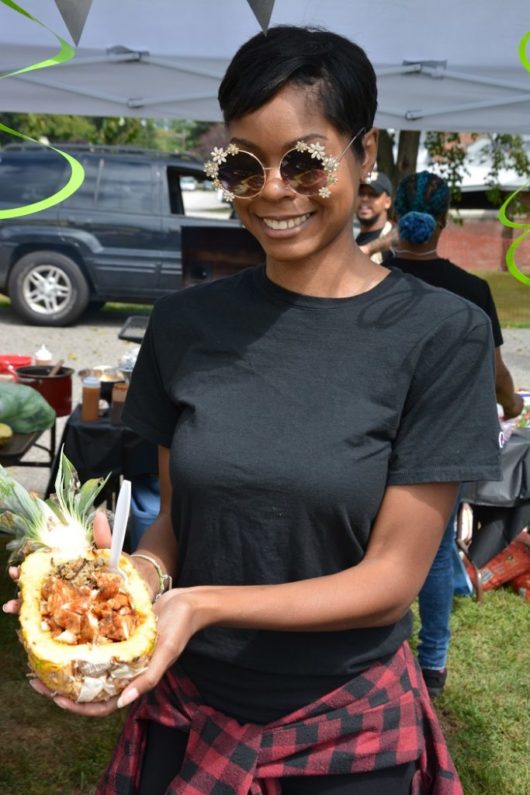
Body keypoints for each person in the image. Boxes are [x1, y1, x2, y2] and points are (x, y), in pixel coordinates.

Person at [6, 27, 502, 794]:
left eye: (304, 160)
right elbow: (179, 520)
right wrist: (122, 585)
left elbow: (393, 576)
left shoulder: (440, 334)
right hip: (187, 703)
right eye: (243, 164)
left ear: (365, 154)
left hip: (346, 724)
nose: (272, 188)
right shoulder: (186, 324)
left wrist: (198, 604)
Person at [389, 170, 523, 698]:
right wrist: (512, 404)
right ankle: (433, 662)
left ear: (397, 216)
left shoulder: (370, 277)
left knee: (363, 545)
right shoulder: (472, 290)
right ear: (445, 222)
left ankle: (374, 650)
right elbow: (496, 376)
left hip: (376, 436)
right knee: (438, 551)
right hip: (443, 444)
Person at [355, 170, 394, 263]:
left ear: (387, 202)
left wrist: (369, 249)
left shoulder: (394, 242)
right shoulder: (351, 240)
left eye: (373, 194)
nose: (365, 199)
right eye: (360, 193)